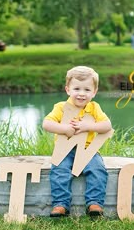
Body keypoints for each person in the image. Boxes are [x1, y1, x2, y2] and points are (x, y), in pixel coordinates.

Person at [42, 66, 113, 218]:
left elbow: (107, 126)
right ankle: (61, 204)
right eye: (77, 89)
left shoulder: (94, 108)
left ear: (94, 92)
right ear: (68, 90)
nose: (81, 94)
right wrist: (64, 129)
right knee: (59, 170)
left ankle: (94, 203)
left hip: (88, 151)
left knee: (97, 169)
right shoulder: (61, 107)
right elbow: (46, 124)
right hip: (64, 150)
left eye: (87, 90)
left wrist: (89, 126)